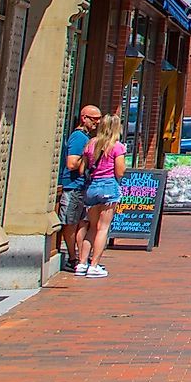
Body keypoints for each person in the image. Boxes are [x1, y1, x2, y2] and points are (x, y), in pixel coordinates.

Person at [78, 113, 126, 277]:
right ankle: (94, 265)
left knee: (91, 227)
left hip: (92, 187)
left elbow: (81, 169)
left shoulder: (91, 143)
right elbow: (120, 171)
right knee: (103, 228)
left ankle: (82, 263)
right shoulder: (117, 146)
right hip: (108, 187)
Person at [57, 104, 100, 275]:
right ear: (84, 118)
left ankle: (81, 258)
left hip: (81, 187)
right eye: (94, 119)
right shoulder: (78, 137)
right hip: (72, 186)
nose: (97, 122)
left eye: (99, 119)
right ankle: (72, 258)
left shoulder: (86, 137)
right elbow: (71, 163)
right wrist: (90, 158)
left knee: (82, 223)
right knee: (70, 223)